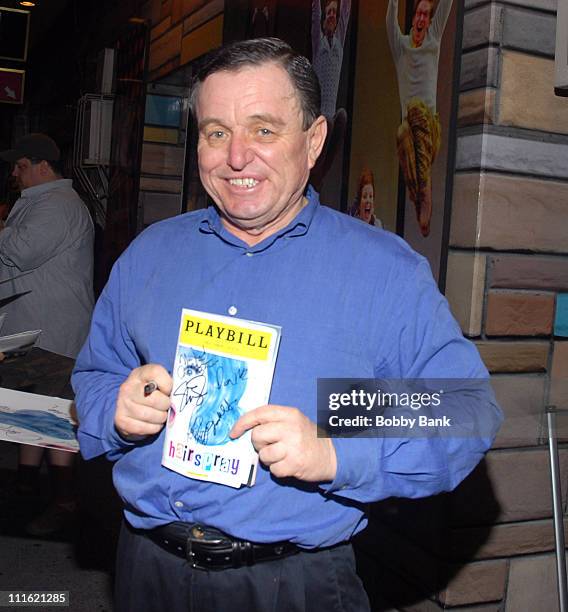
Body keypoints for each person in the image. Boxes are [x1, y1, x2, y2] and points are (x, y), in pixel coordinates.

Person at [72, 38, 502, 612]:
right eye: (216, 132)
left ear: (314, 140)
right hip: (146, 569)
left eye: (264, 130)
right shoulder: (151, 254)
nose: (237, 157)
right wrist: (117, 410)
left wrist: (334, 445)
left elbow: (464, 407)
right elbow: (96, 375)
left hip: (291, 583)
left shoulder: (381, 270)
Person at [0, 133, 94, 535]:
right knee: (26, 410)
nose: (14, 174)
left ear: (43, 166)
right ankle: (27, 488)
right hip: (30, 330)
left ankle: (64, 501)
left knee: (54, 416)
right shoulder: (39, 203)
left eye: (21, 166)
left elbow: (20, 252)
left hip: (52, 333)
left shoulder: (57, 204)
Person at [386, 0, 453, 237]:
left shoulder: (434, 40)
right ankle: (420, 197)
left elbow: (446, 6)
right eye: (418, 14)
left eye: (426, 15)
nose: (421, 19)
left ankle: (424, 194)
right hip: (411, 135)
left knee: (415, 110)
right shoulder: (401, 47)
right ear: (413, 18)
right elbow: (390, 24)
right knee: (401, 133)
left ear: (430, 21)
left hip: (429, 129)